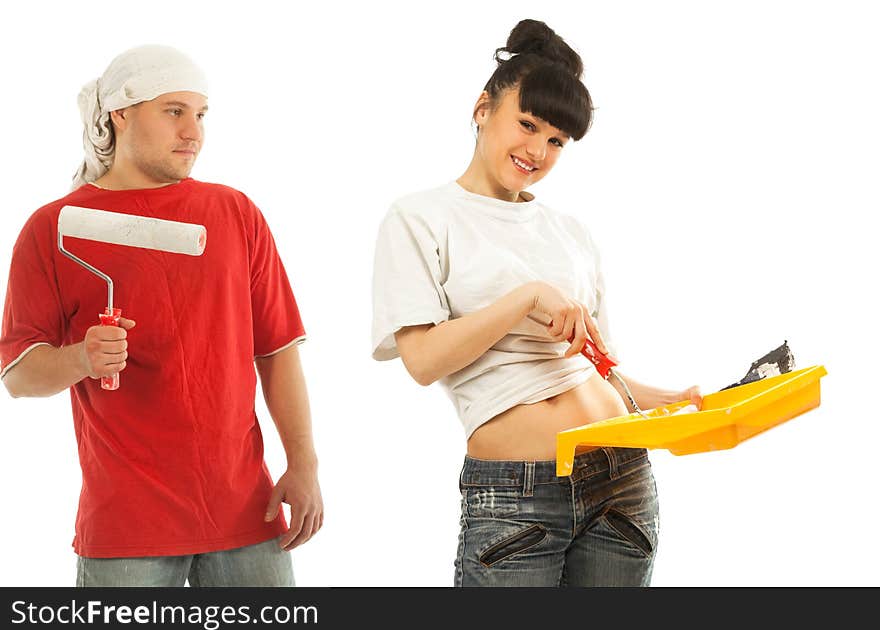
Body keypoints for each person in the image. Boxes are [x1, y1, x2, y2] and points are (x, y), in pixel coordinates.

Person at [371, 20, 702, 587]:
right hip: (518, 493)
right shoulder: (421, 217)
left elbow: (599, 369)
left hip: (623, 483)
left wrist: (673, 401)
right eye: (527, 125)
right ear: (482, 108)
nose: (537, 151)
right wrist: (524, 298)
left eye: (556, 141)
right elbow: (423, 361)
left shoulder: (570, 232)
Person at [0, 45, 323, 586]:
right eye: (174, 111)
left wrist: (304, 462)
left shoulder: (234, 213)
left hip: (247, 514)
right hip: (127, 528)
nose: (193, 131)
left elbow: (276, 349)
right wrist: (82, 356)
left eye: (200, 114)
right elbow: (17, 375)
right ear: (119, 115)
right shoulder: (56, 228)